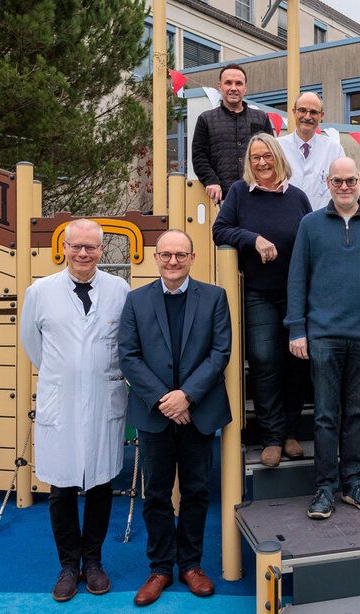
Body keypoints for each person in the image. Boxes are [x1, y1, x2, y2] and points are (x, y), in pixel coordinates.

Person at [285, 156, 360, 520]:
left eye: (350, 180)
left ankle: (353, 484)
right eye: (337, 181)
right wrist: (298, 329)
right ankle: (324, 489)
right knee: (324, 416)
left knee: (357, 413)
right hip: (322, 335)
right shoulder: (310, 224)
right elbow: (297, 279)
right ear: (328, 182)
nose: (345, 187)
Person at [118, 229, 232, 606]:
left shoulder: (215, 297)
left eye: (180, 254)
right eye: (166, 254)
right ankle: (161, 567)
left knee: (198, 492)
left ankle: (191, 565)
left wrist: (187, 396)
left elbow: (220, 352)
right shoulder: (135, 301)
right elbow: (129, 356)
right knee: (156, 494)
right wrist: (165, 400)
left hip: (198, 412)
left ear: (192, 258)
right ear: (156, 258)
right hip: (155, 414)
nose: (172, 261)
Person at [19, 218, 128, 602]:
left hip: (103, 400)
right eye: (76, 246)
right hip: (59, 401)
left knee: (100, 483)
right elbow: (32, 343)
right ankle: (68, 565)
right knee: (62, 485)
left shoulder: (120, 291)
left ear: (102, 250)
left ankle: (93, 561)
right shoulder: (40, 291)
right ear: (63, 247)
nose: (83, 254)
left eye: (91, 247)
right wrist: (65, 373)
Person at [212, 133, 312, 467]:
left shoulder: (297, 198)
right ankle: (271, 436)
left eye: (267, 156)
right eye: (255, 158)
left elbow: (311, 240)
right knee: (265, 360)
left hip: (297, 293)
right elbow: (220, 231)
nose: (262, 163)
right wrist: (252, 238)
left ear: (278, 158)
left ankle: (290, 432)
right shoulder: (240, 194)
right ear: (249, 163)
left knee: (297, 361)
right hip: (258, 293)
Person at [191, 63, 274, 204]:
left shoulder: (262, 118)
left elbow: (272, 155)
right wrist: (211, 180)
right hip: (222, 198)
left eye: (239, 83)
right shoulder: (205, 119)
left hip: (258, 194)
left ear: (245, 88)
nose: (233, 88)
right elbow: (199, 156)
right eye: (228, 83)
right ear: (220, 86)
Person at [277, 92, 344, 210]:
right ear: (294, 112)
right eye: (302, 110)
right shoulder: (277, 147)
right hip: (285, 221)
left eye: (313, 112)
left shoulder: (334, 149)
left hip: (322, 223)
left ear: (321, 115)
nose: (307, 117)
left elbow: (343, 188)